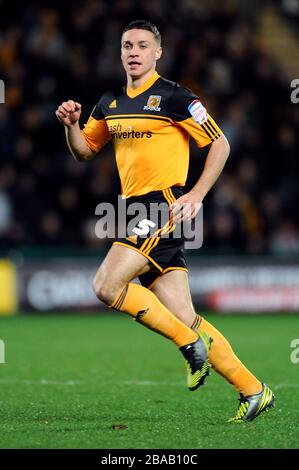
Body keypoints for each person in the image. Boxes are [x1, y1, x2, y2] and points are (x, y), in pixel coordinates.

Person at [56, 20, 275, 422]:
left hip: (163, 205)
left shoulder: (176, 97)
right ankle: (253, 389)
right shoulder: (110, 102)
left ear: (158, 52)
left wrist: (196, 195)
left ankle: (188, 344)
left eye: (142, 45)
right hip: (134, 208)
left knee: (106, 285)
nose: (134, 51)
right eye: (127, 45)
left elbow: (220, 144)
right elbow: (85, 151)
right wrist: (71, 126)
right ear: (120, 53)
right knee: (184, 314)